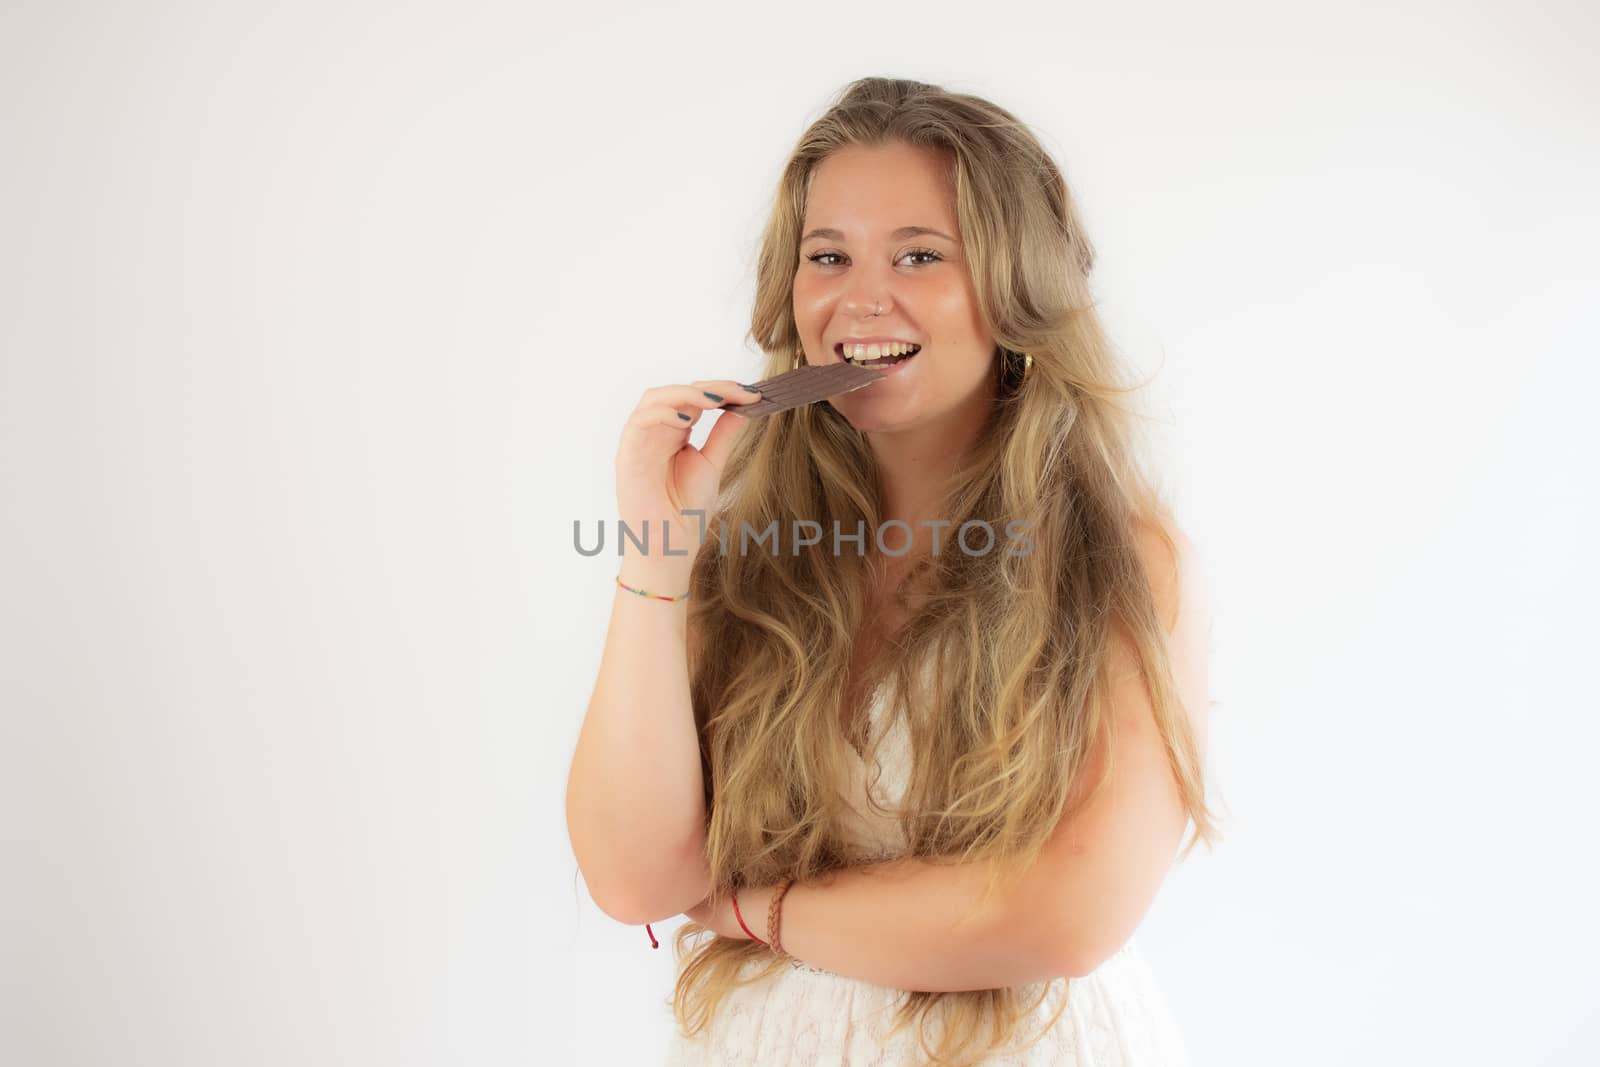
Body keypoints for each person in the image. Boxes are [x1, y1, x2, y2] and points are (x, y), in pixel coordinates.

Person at [566, 76, 1218, 1065]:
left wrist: (750, 904)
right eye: (827, 256)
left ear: (1015, 290)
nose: (859, 299)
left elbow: (1069, 913)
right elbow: (631, 875)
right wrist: (657, 546)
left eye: (919, 255)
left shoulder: (1119, 559)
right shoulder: (746, 558)